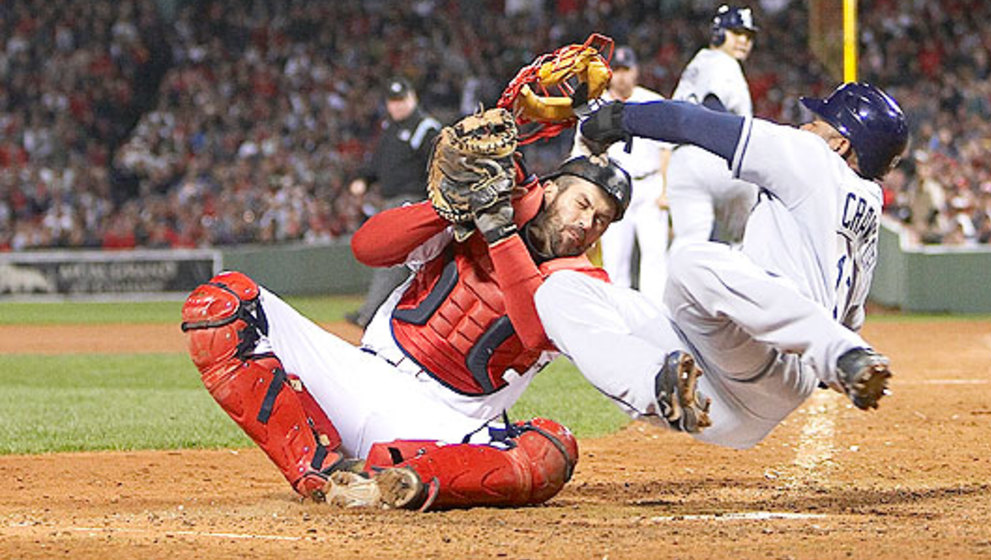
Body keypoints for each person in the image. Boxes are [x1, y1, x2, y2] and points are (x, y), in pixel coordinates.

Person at [182, 150, 706, 511]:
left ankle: (398, 483)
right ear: (548, 192)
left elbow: (531, 325)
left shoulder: (584, 283)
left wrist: (500, 232)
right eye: (582, 204)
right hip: (360, 377)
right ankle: (320, 471)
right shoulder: (470, 221)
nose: (588, 224)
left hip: (441, 428)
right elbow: (368, 247)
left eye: (603, 220)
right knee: (222, 305)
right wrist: (447, 208)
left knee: (553, 449)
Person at [557, 81, 910, 449]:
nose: (806, 126)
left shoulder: (812, 155)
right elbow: (851, 318)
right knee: (564, 290)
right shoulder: (868, 208)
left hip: (764, 352)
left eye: (817, 122)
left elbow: (689, 122)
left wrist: (613, 117)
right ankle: (656, 384)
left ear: (840, 144)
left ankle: (838, 352)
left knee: (691, 260)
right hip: (743, 401)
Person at [573, 45, 671, 301]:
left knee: (655, 256)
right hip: (612, 191)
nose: (622, 76)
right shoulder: (595, 108)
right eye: (616, 70)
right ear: (608, 74)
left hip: (649, 186)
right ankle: (621, 313)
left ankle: (657, 313)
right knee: (615, 258)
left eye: (626, 69)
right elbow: (580, 155)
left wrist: (665, 191)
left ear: (636, 71)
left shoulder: (652, 101)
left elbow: (666, 151)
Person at [346, 78, 442, 328]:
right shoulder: (390, 129)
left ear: (413, 98)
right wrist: (364, 178)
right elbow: (378, 164)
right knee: (403, 261)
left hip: (413, 201)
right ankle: (385, 314)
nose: (397, 106)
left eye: (401, 100)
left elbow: (439, 165)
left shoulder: (426, 128)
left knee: (394, 258)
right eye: (393, 101)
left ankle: (370, 314)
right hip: (393, 202)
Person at [667, 4, 759, 248]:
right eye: (737, 33)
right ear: (718, 33)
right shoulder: (724, 63)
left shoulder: (697, 63)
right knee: (747, 240)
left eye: (748, 36)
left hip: (682, 162)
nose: (744, 41)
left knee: (688, 245)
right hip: (715, 158)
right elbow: (713, 107)